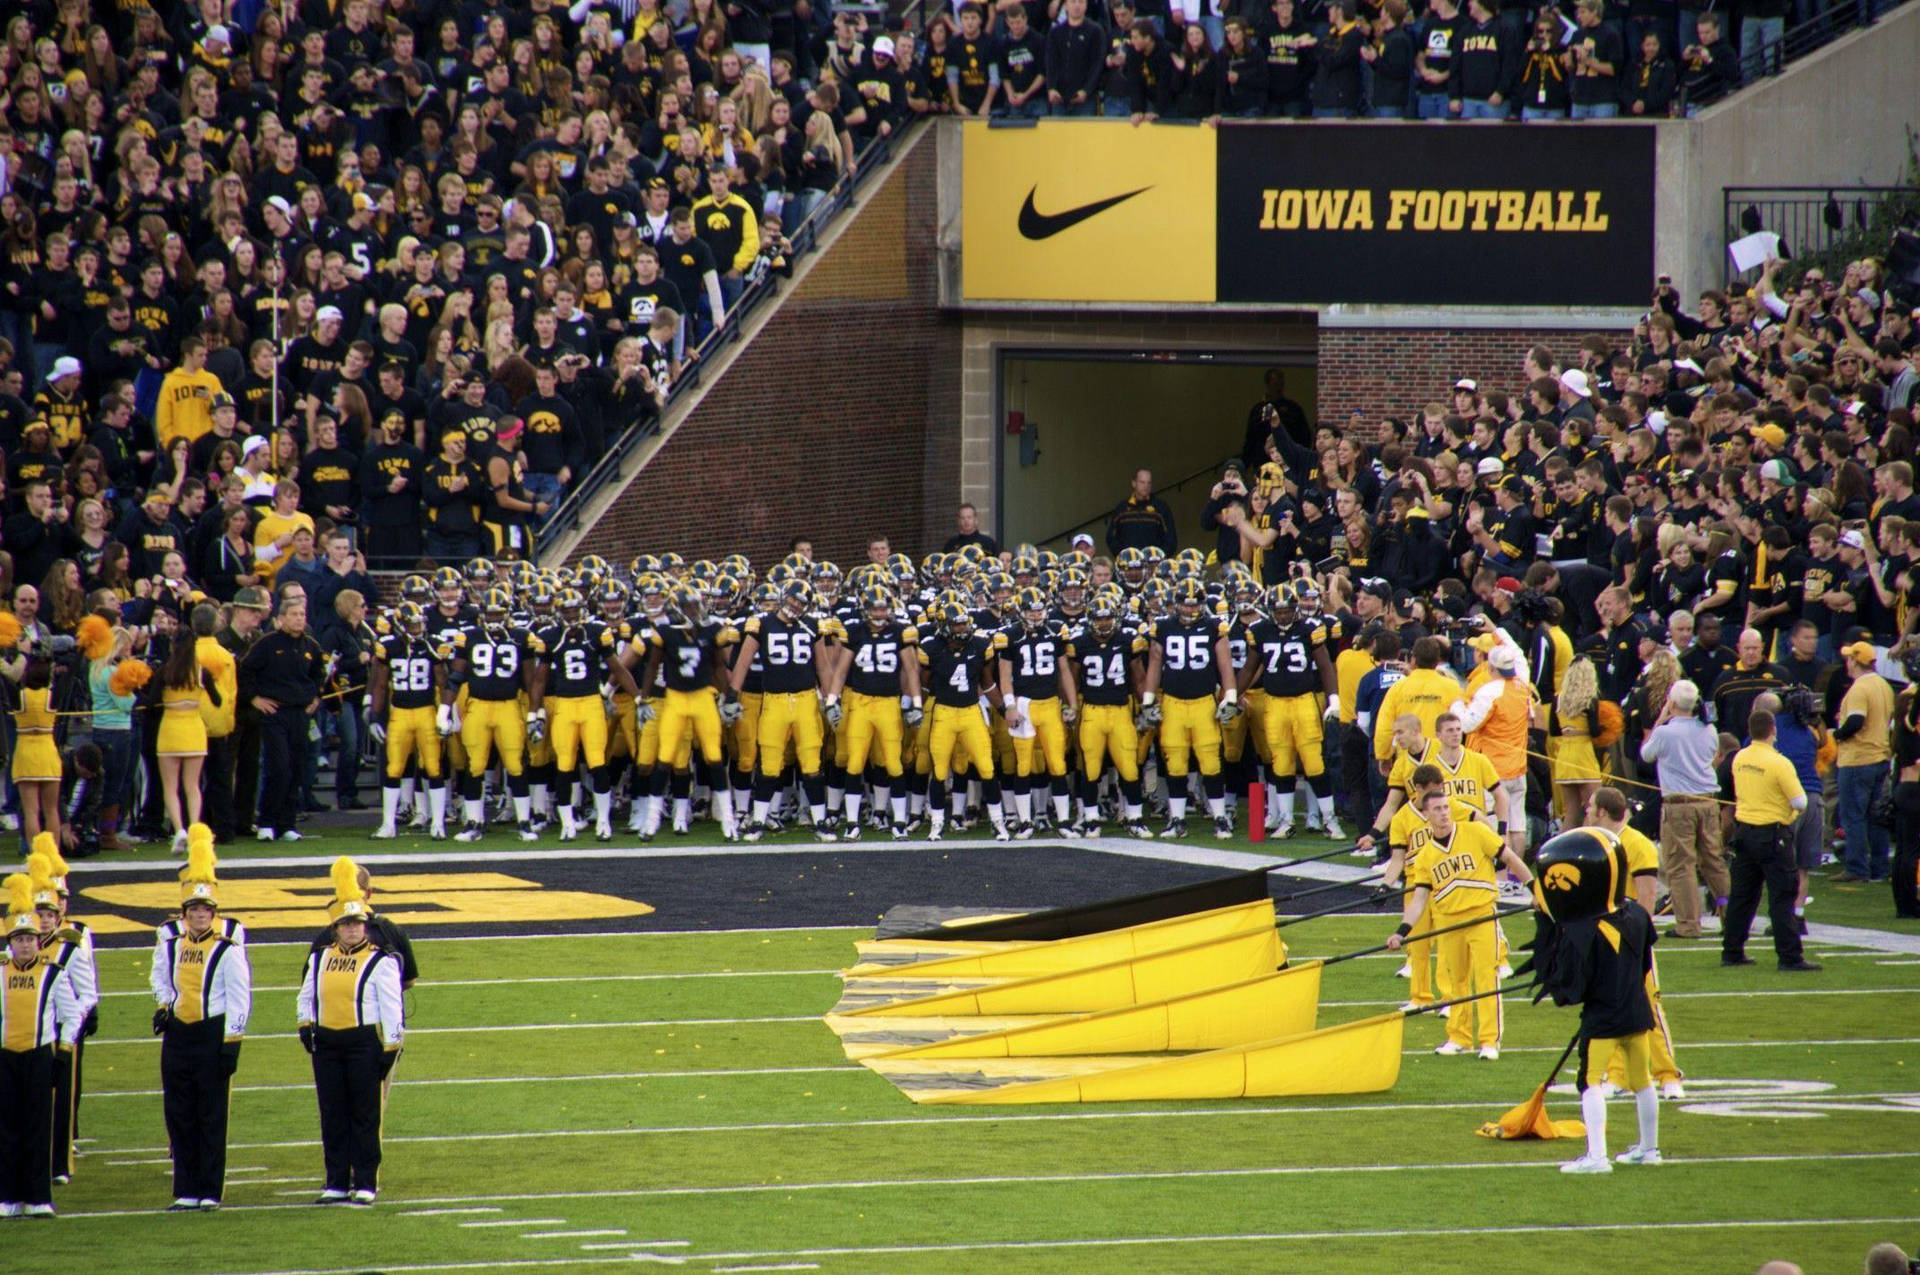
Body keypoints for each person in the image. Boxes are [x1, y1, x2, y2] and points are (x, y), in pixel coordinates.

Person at [1532, 828, 1662, 1175]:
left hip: (1603, 1019)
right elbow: (1646, 961)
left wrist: (1545, 925)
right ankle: (1649, 1149)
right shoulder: (1636, 913)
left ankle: (1597, 1156)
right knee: (1643, 1081)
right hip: (1637, 1013)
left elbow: (1569, 986)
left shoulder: (1584, 929)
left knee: (1589, 1082)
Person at [1386, 786, 1532, 1058]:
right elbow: (1419, 899)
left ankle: (1489, 1041)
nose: (1443, 813)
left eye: (1445, 808)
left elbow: (1509, 858)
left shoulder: (1475, 832)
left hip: (1481, 915)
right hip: (1449, 921)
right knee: (1456, 982)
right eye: (1437, 809)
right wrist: (1401, 932)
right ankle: (1459, 1037)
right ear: (1426, 814)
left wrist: (1534, 889)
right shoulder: (1425, 855)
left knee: (1487, 978)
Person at [150, 833, 252, 1212]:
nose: (198, 916)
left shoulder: (227, 949)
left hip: (211, 1034)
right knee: (178, 1112)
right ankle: (185, 1188)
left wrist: (232, 1043)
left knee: (210, 1114)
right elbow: (159, 977)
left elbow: (240, 997)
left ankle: (210, 1189)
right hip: (179, 1034)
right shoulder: (172, 944)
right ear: (184, 912)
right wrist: (164, 1005)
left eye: (204, 911)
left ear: (214, 914)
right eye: (192, 910)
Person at [296, 868, 405, 1206]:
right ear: (336, 928)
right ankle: (336, 1181)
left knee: (365, 1114)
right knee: (333, 1113)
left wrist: (391, 1047)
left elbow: (393, 1008)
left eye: (357, 924)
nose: (353, 929)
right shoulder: (321, 957)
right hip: (328, 1043)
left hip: (363, 1045)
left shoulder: (380, 961)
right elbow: (306, 995)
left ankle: (367, 1181)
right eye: (346, 925)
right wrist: (304, 1024)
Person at [1584, 788, 1687, 1098]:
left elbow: (1645, 899)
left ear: (1602, 811)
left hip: (1630, 939)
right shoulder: (1592, 842)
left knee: (1648, 1006)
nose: (1586, 811)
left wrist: (1636, 939)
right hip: (1603, 939)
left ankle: (1668, 1075)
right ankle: (1618, 1075)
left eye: (1591, 807)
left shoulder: (1636, 844)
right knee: (1609, 1006)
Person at [1, 871, 83, 1219]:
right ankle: (7, 1196)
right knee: (6, 1128)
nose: (25, 944)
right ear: (10, 942)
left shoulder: (54, 972)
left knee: (37, 1128)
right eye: (18, 939)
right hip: (4, 1057)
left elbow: (72, 1014)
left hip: (38, 1057)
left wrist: (63, 1051)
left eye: (30, 939)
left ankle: (38, 1197)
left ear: (38, 941)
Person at [1726, 709, 1821, 971]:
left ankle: (1732, 950)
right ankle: (1789, 956)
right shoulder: (1779, 762)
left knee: (1742, 896)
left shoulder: (1740, 758)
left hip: (1744, 831)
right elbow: (1800, 801)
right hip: (1772, 833)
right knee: (1782, 896)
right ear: (1773, 731)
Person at [29, 843, 100, 1186]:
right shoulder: (19, 948)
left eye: (49, 915)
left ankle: (61, 1160)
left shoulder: (71, 943)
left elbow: (87, 989)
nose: (44, 921)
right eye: (39, 915)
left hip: (62, 1027)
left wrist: (84, 1016)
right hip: (30, 1030)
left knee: (63, 1093)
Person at [1639, 679, 1729, 939]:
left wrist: (1660, 719)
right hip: (1708, 801)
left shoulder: (1666, 732)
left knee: (1681, 865)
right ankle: (1730, 917)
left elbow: (1646, 755)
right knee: (1714, 861)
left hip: (1679, 805)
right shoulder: (1708, 730)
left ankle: (1689, 923)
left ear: (1673, 702)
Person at [238, 598, 328, 843]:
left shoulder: (311, 646)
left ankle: (287, 823)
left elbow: (319, 675)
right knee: (278, 767)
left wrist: (316, 697)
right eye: (295, 614)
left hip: (301, 713)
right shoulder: (267, 644)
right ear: (282, 618)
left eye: (302, 614)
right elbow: (244, 671)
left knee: (297, 768)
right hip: (275, 713)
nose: (300, 618)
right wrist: (254, 698)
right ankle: (266, 821)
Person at [1832, 640, 1894, 883]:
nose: (1846, 663)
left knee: (1853, 816)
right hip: (1880, 757)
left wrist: (1836, 734)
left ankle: (1856, 868)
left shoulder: (1859, 688)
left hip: (1858, 759)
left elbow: (1856, 721)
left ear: (1855, 661)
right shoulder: (1883, 685)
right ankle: (1879, 868)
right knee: (1875, 816)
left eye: (1849, 658)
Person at [1106, 469, 1178, 556]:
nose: (1146, 486)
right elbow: (1111, 537)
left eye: (1149, 483)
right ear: (1134, 483)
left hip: (1153, 563)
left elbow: (1171, 537)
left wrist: (1160, 557)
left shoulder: (1160, 507)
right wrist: (1123, 555)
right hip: (1129, 564)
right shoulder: (1122, 508)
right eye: (1142, 482)